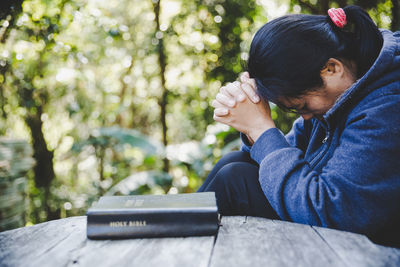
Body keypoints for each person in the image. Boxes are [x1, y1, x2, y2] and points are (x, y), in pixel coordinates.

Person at [197, 5, 400, 247]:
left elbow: (333, 210)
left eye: (302, 106)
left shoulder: (387, 108)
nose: (304, 118)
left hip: (367, 239)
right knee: (233, 164)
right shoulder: (335, 98)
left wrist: (261, 130)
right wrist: (252, 126)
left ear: (331, 69)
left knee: (235, 180)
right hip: (326, 216)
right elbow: (278, 159)